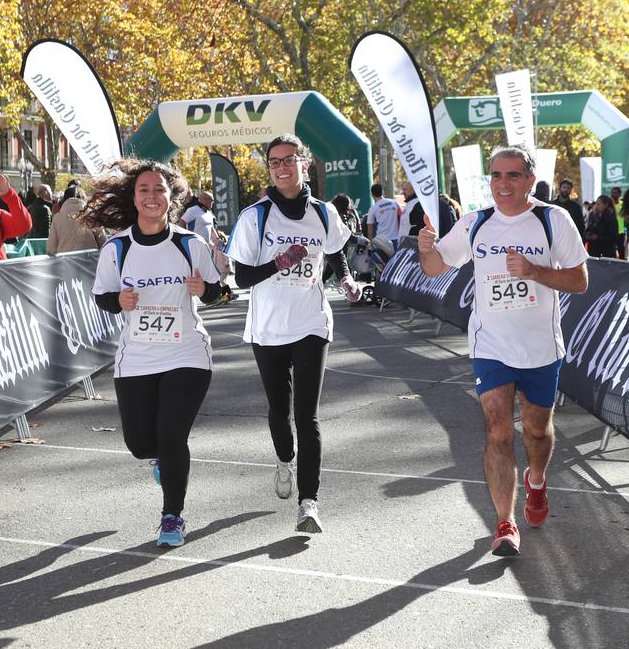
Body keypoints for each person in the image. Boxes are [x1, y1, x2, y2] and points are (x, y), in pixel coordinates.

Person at [417, 147, 588, 556]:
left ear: (530, 179)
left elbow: (580, 280)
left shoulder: (552, 220)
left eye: (513, 175)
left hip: (540, 346)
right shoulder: (476, 223)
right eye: (496, 175)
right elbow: (435, 267)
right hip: (490, 344)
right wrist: (426, 247)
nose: (503, 184)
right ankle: (505, 523)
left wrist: (533, 272)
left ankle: (538, 481)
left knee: (535, 429)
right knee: (497, 431)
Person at [226, 134, 361, 534]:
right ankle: (285, 459)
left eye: (288, 160)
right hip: (268, 326)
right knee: (279, 413)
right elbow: (242, 276)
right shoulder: (256, 216)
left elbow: (335, 250)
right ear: (269, 169)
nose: (282, 168)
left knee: (308, 416)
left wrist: (348, 279)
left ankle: (309, 503)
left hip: (311, 322)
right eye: (274, 163)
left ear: (304, 164)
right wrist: (279, 262)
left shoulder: (322, 213)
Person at [88, 160, 223, 547]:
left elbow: (218, 292)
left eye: (159, 189)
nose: (151, 196)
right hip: (138, 357)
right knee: (140, 444)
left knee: (171, 435)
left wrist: (204, 290)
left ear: (171, 197)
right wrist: (120, 299)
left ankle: (172, 517)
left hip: (186, 353)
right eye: (144, 189)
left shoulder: (189, 244)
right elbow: (102, 297)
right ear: (134, 197)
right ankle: (161, 460)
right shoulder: (117, 248)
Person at [47, 183, 104, 255]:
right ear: (84, 198)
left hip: (65, 263)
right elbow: (103, 243)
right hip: (90, 262)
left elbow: (51, 248)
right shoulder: (93, 216)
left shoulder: (57, 218)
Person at [365, 183, 402, 247]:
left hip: (381, 241)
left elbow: (370, 228)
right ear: (382, 192)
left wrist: (371, 243)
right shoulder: (394, 203)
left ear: (372, 194)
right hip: (395, 239)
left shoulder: (373, 208)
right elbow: (402, 215)